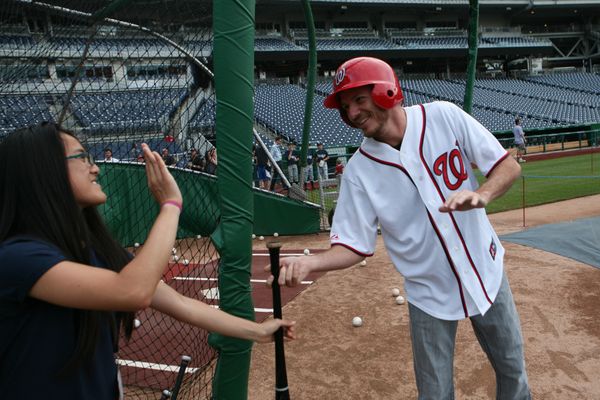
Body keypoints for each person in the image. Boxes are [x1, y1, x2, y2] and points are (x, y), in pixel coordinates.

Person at [267, 57, 530, 400]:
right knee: (435, 394)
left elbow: (507, 167)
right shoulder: (359, 171)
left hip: (486, 269)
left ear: (387, 91)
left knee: (513, 372)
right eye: (346, 106)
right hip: (428, 292)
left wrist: (482, 194)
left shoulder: (444, 117)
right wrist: (311, 263)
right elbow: (354, 244)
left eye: (359, 99)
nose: (353, 113)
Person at [0, 122, 295, 399]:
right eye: (82, 158)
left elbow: (180, 304)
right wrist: (170, 205)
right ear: (44, 172)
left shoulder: (91, 251)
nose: (95, 169)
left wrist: (257, 331)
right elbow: (134, 291)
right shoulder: (18, 256)